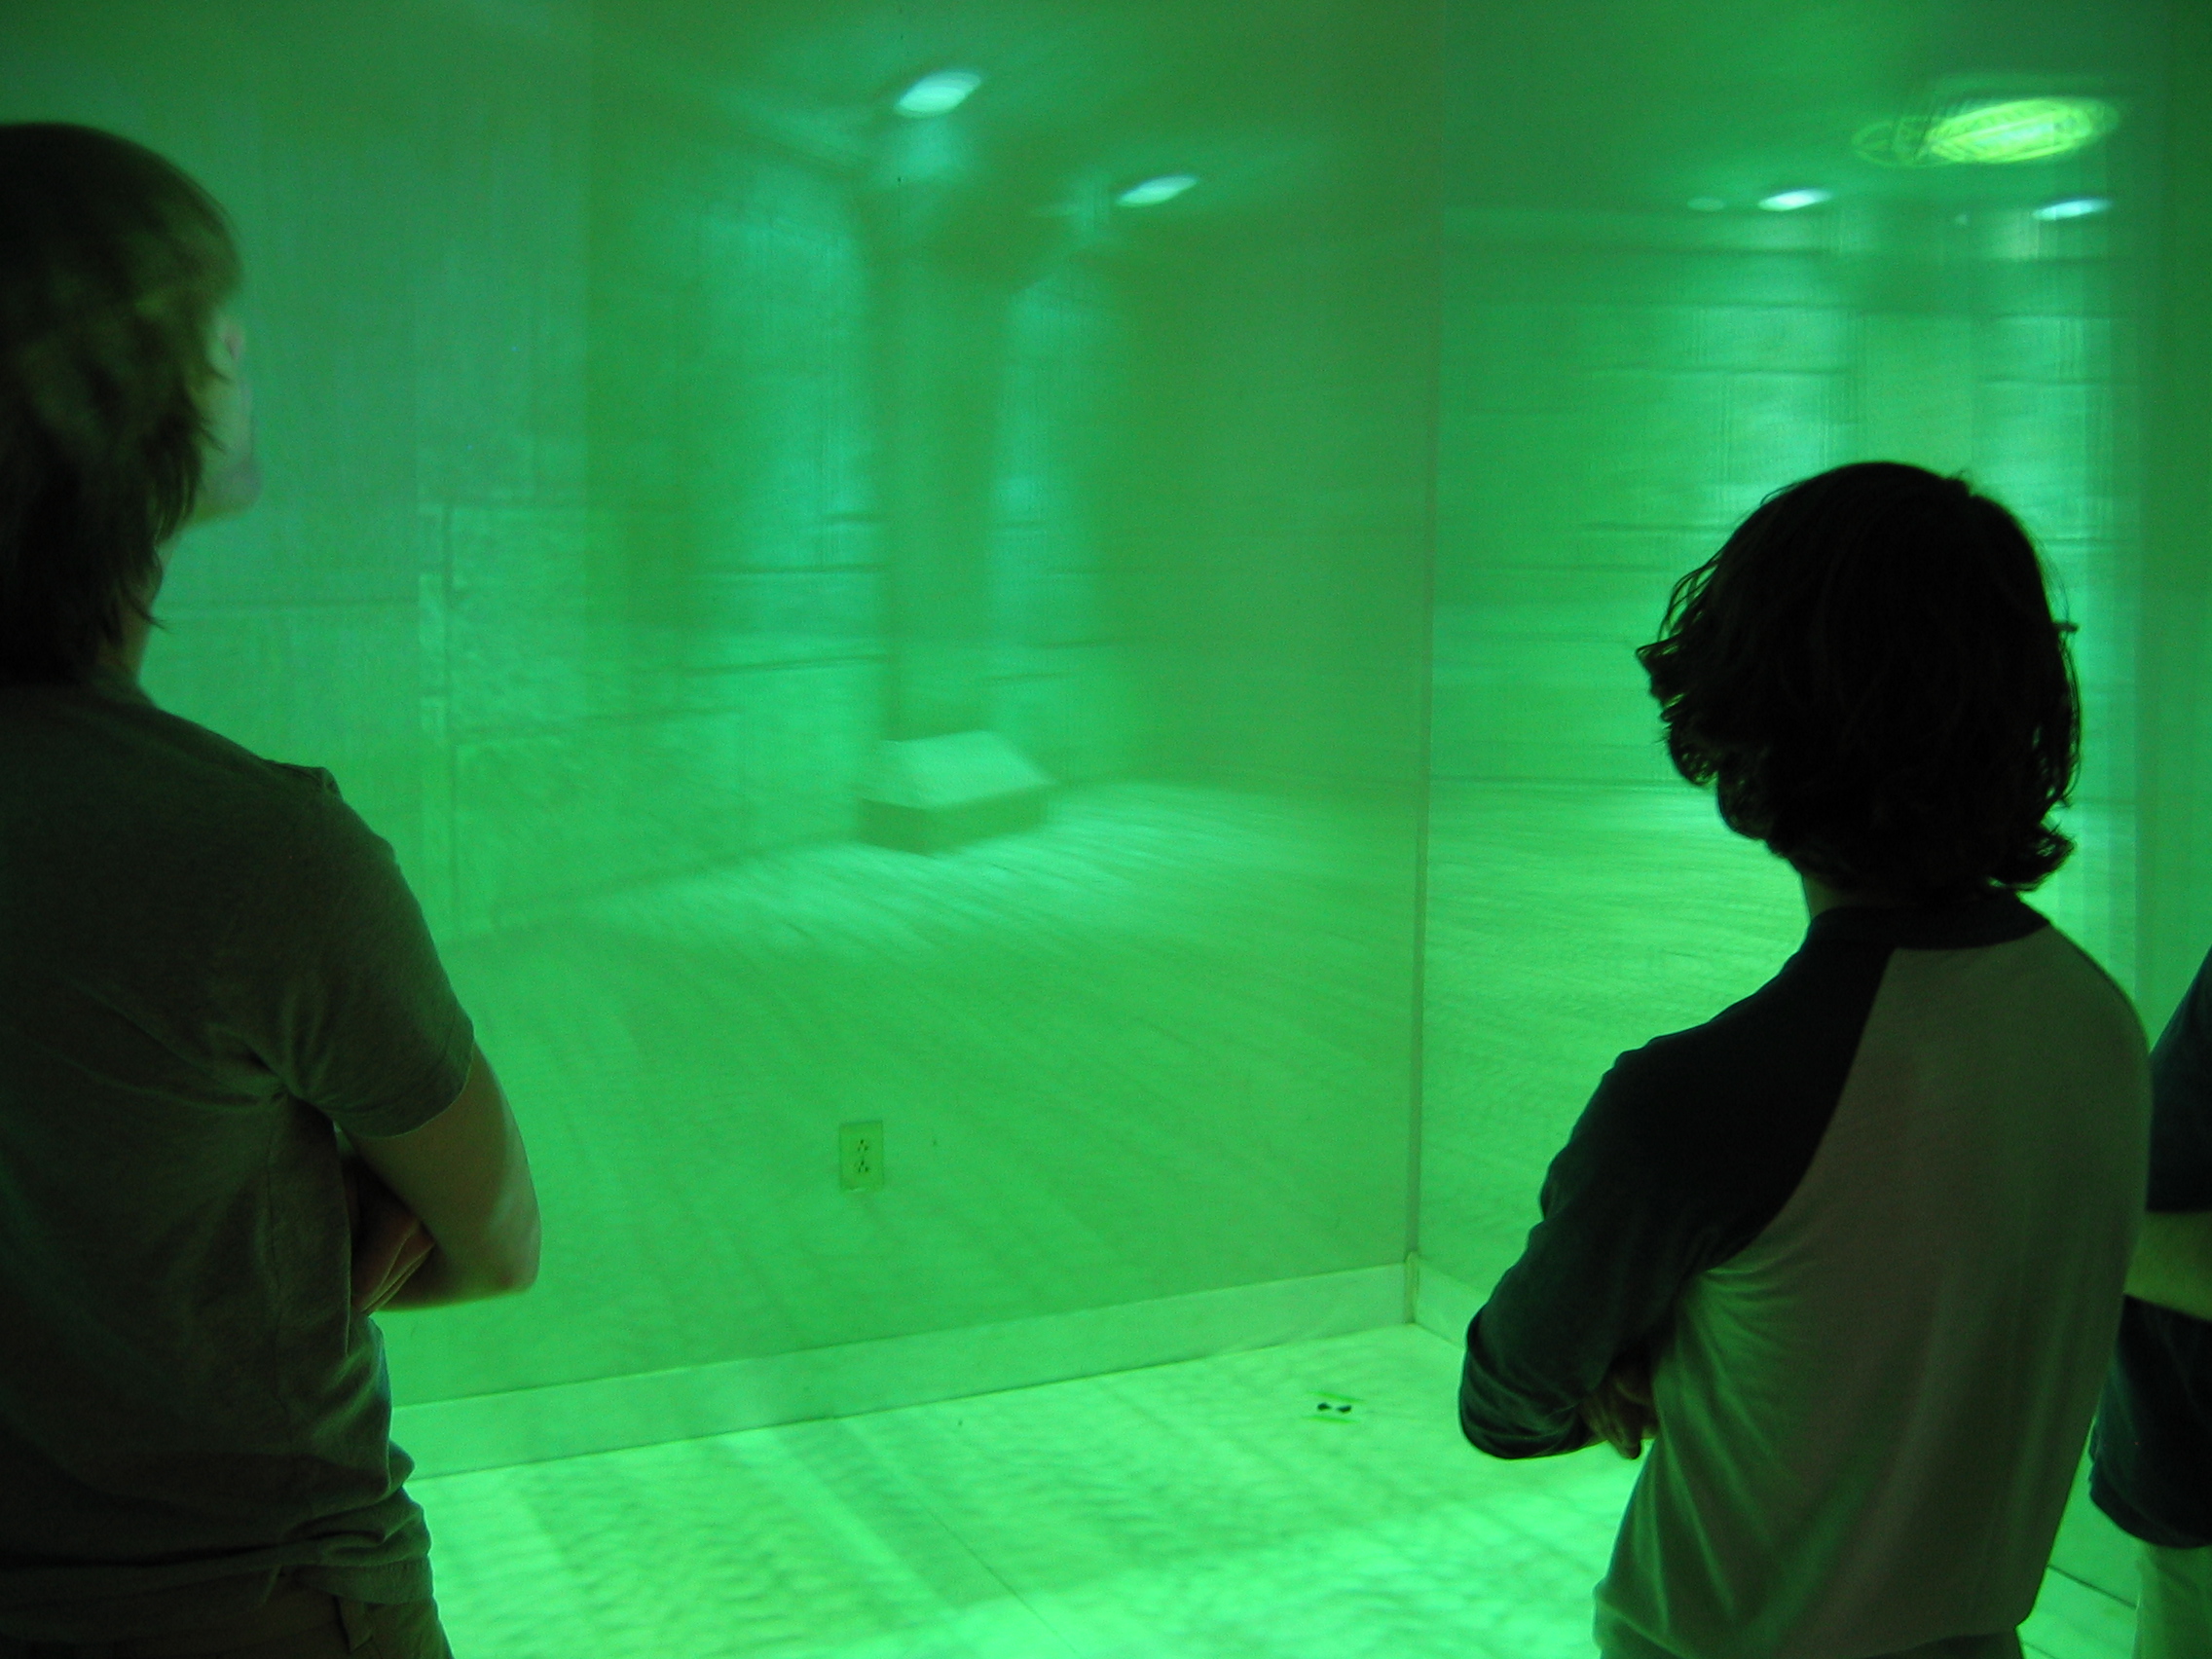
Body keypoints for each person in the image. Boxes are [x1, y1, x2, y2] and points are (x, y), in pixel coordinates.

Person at [1456, 460, 2212, 1658]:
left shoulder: (1689, 1105)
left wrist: (1640, 1353)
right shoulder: (2098, 1026)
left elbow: (1505, 1398)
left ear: (1745, 725)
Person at [0, 125, 537, 1659]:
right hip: (264, 1603)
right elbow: (497, 1233)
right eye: (204, 325)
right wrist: (314, 1227)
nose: (241, 351)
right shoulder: (257, 855)